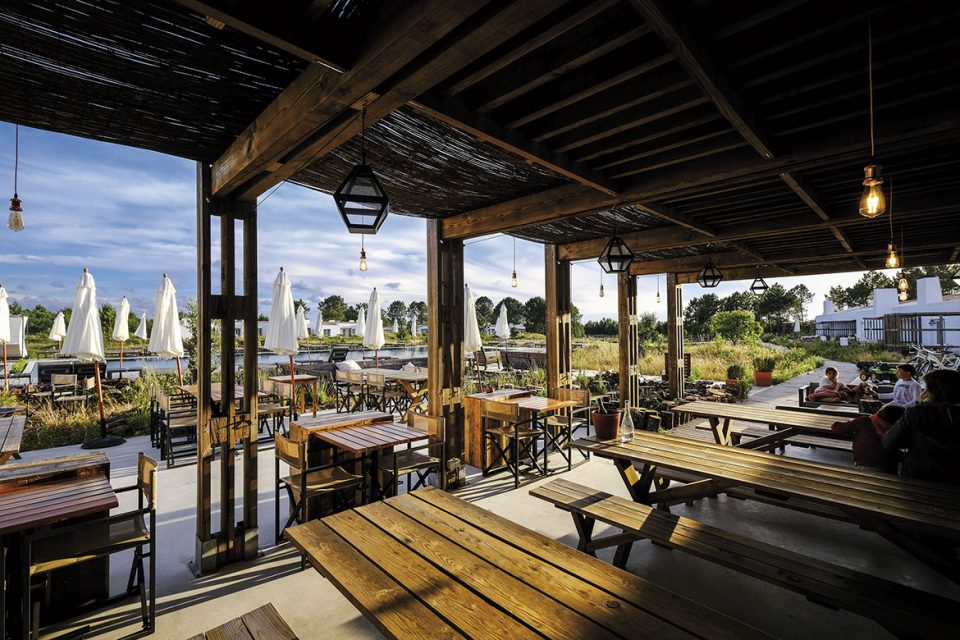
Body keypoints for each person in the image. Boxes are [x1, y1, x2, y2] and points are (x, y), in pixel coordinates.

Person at [882, 369, 960, 485]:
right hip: (955, 479)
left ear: (933, 391)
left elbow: (888, 442)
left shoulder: (918, 413)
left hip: (919, 477)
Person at [830, 405, 904, 472]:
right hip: (890, 466)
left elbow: (837, 428)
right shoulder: (899, 430)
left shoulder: (864, 421)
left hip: (865, 463)